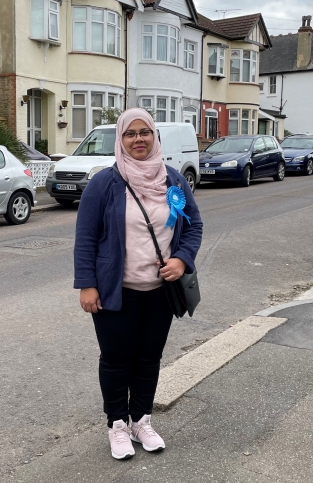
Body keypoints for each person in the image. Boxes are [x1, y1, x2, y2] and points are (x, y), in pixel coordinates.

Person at [74, 108, 202, 460]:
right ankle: (116, 424)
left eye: (145, 132)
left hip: (160, 293)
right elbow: (85, 238)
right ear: (121, 139)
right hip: (116, 291)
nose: (139, 139)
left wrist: (182, 259)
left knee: (149, 358)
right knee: (116, 359)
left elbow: (193, 226)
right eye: (130, 134)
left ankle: (141, 421)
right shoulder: (104, 183)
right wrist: (87, 284)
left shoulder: (173, 180)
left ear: (155, 137)